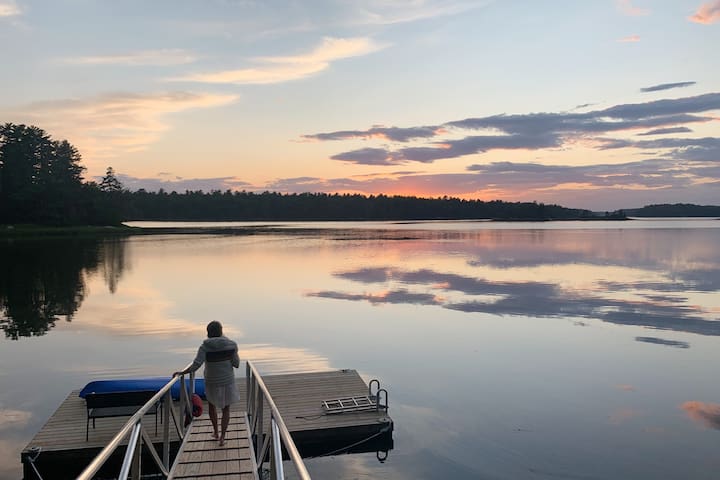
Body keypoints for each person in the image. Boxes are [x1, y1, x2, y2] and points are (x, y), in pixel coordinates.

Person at [174, 321, 240, 446]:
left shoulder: (204, 347)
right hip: (227, 381)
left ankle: (215, 432)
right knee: (226, 409)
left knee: (212, 406)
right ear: (221, 331)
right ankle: (223, 437)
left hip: (211, 381)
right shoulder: (231, 345)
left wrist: (182, 372)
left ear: (208, 333)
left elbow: (196, 365)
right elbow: (236, 364)